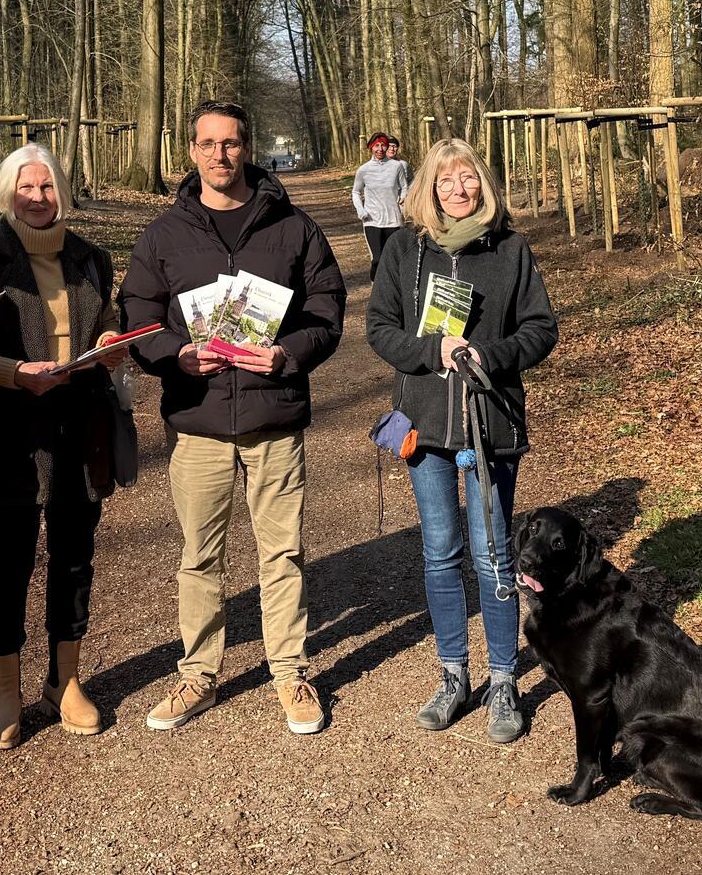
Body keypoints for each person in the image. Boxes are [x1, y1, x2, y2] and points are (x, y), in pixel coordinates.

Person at [118, 99, 346, 735]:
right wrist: (174, 354)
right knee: (199, 555)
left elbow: (327, 306)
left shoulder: (292, 227)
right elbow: (137, 310)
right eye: (208, 143)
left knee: (284, 553)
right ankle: (198, 673)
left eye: (231, 143)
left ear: (246, 148)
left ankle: (291, 672)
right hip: (198, 420)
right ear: (190, 151)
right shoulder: (164, 235)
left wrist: (288, 353)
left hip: (274, 417)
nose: (220, 154)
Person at [366, 137, 557, 744]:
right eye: (446, 180)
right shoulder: (404, 250)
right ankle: (454, 674)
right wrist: (431, 350)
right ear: (428, 188)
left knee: (494, 551)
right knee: (441, 550)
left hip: (491, 422)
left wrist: (490, 356)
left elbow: (540, 328)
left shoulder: (510, 249)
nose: (457, 189)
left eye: (467, 178)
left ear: (483, 184)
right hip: (424, 424)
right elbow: (379, 329)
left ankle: (504, 680)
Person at [0, 143, 127, 749]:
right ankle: (5, 689)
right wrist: (17, 374)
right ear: (6, 194)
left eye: (48, 187)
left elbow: (107, 316)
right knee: (9, 562)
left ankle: (64, 681)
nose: (38, 197)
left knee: (75, 555)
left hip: (81, 425)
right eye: (26, 188)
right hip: (9, 432)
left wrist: (109, 337)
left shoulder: (91, 258)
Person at [352, 132, 408, 282]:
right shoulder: (363, 170)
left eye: (383, 145)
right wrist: (361, 210)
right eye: (377, 145)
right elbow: (355, 192)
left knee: (391, 258)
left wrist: (403, 196)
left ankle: (389, 288)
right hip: (371, 219)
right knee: (377, 258)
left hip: (393, 219)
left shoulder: (397, 166)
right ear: (371, 147)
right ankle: (375, 285)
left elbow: (404, 186)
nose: (380, 148)